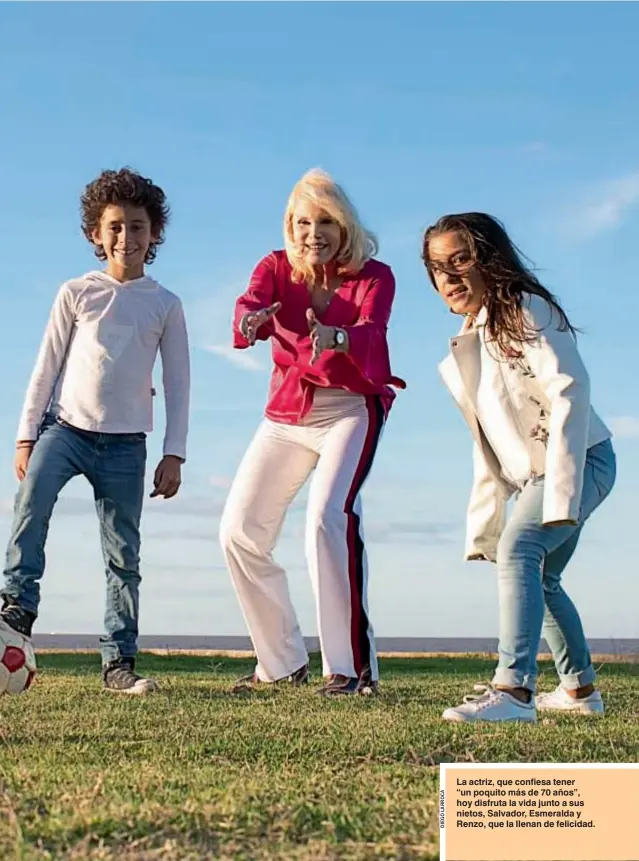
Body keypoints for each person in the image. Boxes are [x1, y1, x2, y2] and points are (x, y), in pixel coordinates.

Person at [0, 168, 190, 695]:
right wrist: (24, 437)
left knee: (123, 554)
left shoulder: (165, 304)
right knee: (30, 505)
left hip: (127, 447)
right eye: (114, 227)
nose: (125, 237)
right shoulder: (76, 292)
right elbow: (45, 366)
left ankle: (118, 661)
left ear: (154, 235)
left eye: (137, 226)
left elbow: (178, 384)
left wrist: (174, 453)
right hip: (65, 430)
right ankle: (16, 608)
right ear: (95, 234)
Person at [423, 212, 615, 722]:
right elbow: (488, 444)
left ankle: (513, 691)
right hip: (537, 477)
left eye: (461, 260)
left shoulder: (525, 309)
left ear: (491, 258)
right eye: (438, 268)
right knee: (543, 576)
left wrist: (561, 490)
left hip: (582, 459)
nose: (450, 276)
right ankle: (579, 692)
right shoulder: (471, 339)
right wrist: (486, 516)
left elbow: (570, 388)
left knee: (521, 548)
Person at [220, 168, 405, 695]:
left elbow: (372, 330)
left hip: (350, 409)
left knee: (327, 520)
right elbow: (248, 306)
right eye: (303, 222)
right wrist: (250, 322)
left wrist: (338, 335)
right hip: (287, 414)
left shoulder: (375, 275)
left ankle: (349, 670)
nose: (313, 233)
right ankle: (280, 662)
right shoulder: (276, 267)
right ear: (290, 225)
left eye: (324, 221)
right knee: (238, 531)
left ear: (343, 223)